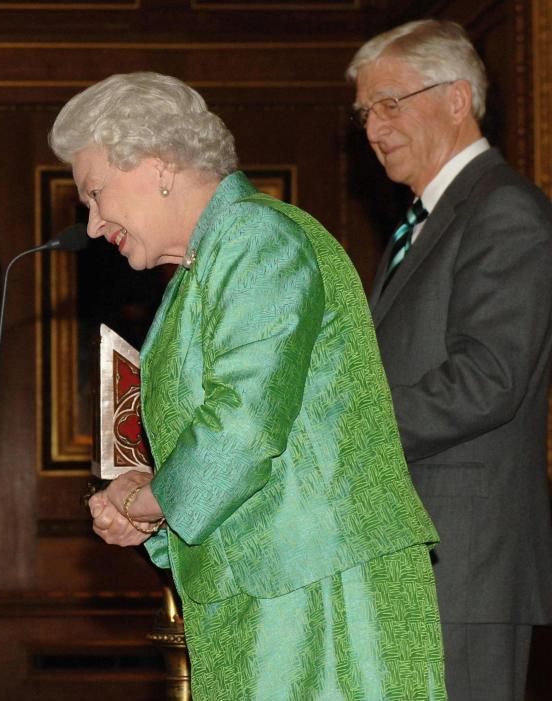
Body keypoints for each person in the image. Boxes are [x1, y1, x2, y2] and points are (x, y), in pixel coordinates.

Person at [50, 71, 447, 700]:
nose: (94, 225)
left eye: (96, 195)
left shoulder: (257, 237)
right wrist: (150, 498)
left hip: (316, 596)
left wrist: (150, 502)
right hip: (271, 593)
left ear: (159, 164)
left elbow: (245, 421)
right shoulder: (206, 263)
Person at [347, 19, 552, 701]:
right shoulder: (423, 222)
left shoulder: (504, 211)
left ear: (457, 99)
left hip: (464, 565)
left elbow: (487, 379)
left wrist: (344, 425)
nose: (374, 129)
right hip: (416, 559)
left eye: (390, 104)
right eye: (365, 112)